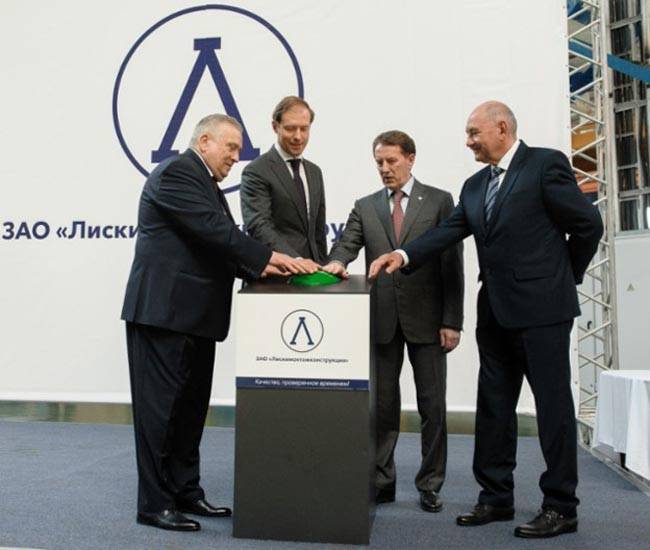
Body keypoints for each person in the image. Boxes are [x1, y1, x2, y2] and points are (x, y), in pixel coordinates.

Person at [369, 101, 603, 538]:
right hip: (494, 314)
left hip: (544, 312)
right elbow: (449, 231)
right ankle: (495, 497)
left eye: (474, 133)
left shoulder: (544, 166)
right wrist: (403, 255)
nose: (468, 142)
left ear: (502, 128)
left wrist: (563, 276)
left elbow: (589, 224)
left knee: (553, 409)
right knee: (493, 408)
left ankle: (561, 506)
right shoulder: (476, 185)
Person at [121, 114, 314, 532]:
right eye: (230, 147)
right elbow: (214, 232)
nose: (235, 157)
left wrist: (264, 269)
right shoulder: (177, 172)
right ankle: (154, 504)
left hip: (196, 318)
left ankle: (185, 492)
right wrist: (268, 257)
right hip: (163, 316)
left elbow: (216, 244)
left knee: (190, 413)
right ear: (204, 141)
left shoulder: (205, 182)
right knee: (160, 415)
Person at [322, 130, 464, 513]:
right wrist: (336, 262)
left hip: (429, 321)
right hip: (382, 321)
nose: (385, 168)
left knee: (432, 407)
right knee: (383, 408)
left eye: (391, 161)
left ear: (410, 159)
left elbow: (452, 263)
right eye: (379, 162)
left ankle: (430, 484)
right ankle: (382, 482)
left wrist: (452, 320)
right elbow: (346, 245)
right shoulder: (365, 206)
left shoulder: (439, 201)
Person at [240, 96, 327, 266]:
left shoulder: (314, 172)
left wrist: (323, 267)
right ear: (275, 127)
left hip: (313, 273)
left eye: (304, 129)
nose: (298, 136)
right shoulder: (256, 171)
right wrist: (296, 261)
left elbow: (318, 231)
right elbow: (259, 226)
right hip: (276, 273)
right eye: (290, 129)